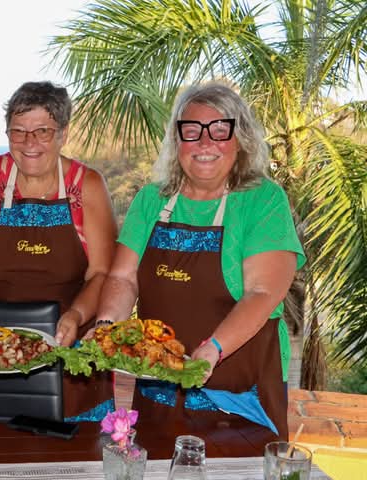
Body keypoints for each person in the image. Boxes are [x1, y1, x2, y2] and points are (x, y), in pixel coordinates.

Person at [95, 81, 305, 445]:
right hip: (158, 391)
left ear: (240, 139)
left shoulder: (263, 200)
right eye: (191, 131)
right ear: (177, 141)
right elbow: (123, 277)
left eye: (219, 130)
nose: (205, 143)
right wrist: (106, 328)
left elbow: (262, 292)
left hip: (237, 397)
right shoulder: (151, 200)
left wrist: (212, 350)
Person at [0, 81, 117, 421]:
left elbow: (101, 273)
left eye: (42, 131)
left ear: (63, 133)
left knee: (74, 450)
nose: (29, 143)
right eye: (18, 131)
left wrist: (77, 315)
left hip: (68, 347)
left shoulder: (88, 185)